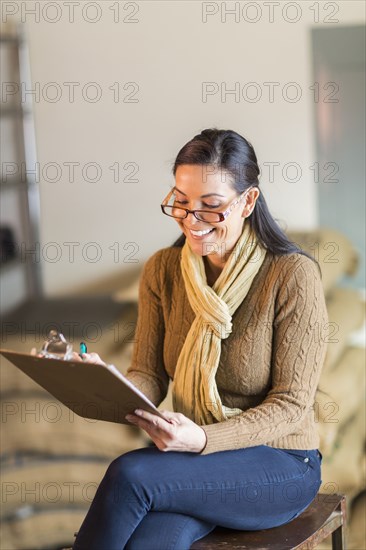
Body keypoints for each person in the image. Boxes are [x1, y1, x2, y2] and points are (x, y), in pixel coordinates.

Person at [72, 128, 328, 550]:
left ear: (248, 201)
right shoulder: (162, 270)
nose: (192, 222)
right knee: (152, 542)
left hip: (280, 462)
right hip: (197, 461)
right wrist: (104, 384)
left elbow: (291, 405)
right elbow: (149, 374)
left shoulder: (292, 275)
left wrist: (206, 440)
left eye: (210, 208)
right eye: (181, 203)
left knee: (131, 475)